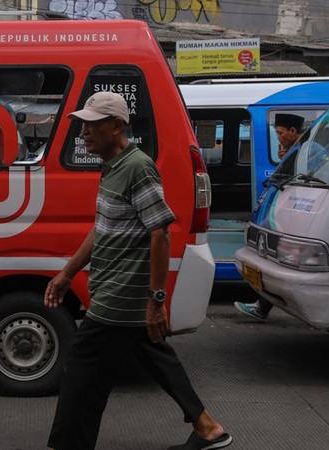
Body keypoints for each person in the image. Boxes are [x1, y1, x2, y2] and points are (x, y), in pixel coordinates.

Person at [45, 91, 232, 450]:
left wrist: (156, 299)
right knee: (153, 353)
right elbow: (102, 228)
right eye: (82, 125)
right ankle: (208, 428)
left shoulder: (137, 167)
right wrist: (68, 273)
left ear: (117, 126)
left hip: (119, 296)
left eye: (92, 124)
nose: (84, 132)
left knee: (81, 370)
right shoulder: (112, 168)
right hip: (113, 291)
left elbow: (160, 231)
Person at [234, 113, 306, 322]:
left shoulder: (308, 150)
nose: (279, 139)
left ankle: (263, 308)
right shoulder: (297, 150)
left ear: (292, 131)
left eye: (280, 134)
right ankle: (262, 307)